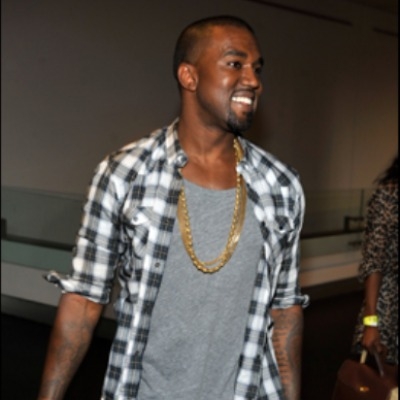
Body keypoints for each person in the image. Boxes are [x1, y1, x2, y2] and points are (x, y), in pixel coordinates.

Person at [37, 15, 309, 400]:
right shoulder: (125, 174)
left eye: (257, 68)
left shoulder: (279, 185)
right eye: (235, 64)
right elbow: (83, 301)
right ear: (189, 76)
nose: (253, 80)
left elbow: (284, 311)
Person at [352, 155, 398, 365]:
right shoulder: (389, 195)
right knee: (383, 378)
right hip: (389, 308)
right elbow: (374, 262)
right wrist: (371, 323)